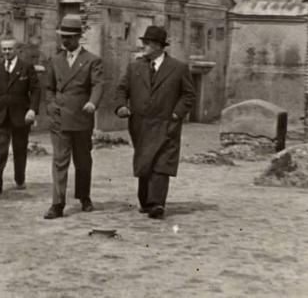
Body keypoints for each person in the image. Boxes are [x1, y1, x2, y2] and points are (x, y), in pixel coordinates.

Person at [113, 25, 195, 219]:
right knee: (145, 161)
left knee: (162, 162)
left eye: (148, 43)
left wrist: (177, 113)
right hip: (140, 125)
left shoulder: (178, 68)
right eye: (144, 42)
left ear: (159, 46)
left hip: (167, 123)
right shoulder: (135, 67)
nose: (144, 46)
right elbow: (121, 90)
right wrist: (120, 107)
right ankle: (146, 201)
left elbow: (189, 95)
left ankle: (157, 203)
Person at [43, 14, 104, 219]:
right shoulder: (55, 59)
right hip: (60, 118)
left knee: (83, 161)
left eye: (69, 37)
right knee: (60, 161)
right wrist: (51, 105)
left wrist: (92, 102)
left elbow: (98, 85)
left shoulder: (92, 60)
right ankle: (57, 204)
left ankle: (84, 197)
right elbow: (49, 87)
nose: (65, 40)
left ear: (79, 37)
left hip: (81, 117)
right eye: (63, 36)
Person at [0, 37, 41, 194]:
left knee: (20, 149)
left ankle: (20, 178)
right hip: (1, 115)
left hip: (20, 115)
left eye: (10, 49)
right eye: (4, 49)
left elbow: (36, 89)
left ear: (17, 50)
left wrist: (32, 109)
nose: (7, 52)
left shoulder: (26, 67)